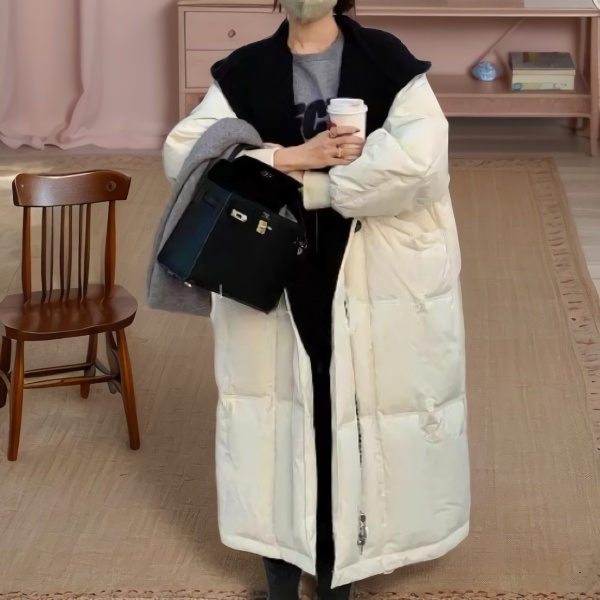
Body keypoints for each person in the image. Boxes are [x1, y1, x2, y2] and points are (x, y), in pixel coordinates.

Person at [162, 0, 470, 598]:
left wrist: (315, 186)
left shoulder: (386, 59)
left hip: (372, 265)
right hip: (275, 261)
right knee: (280, 411)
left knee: (354, 404)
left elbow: (422, 163)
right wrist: (289, 158)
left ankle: (338, 566)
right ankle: (282, 560)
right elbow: (185, 153)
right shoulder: (246, 70)